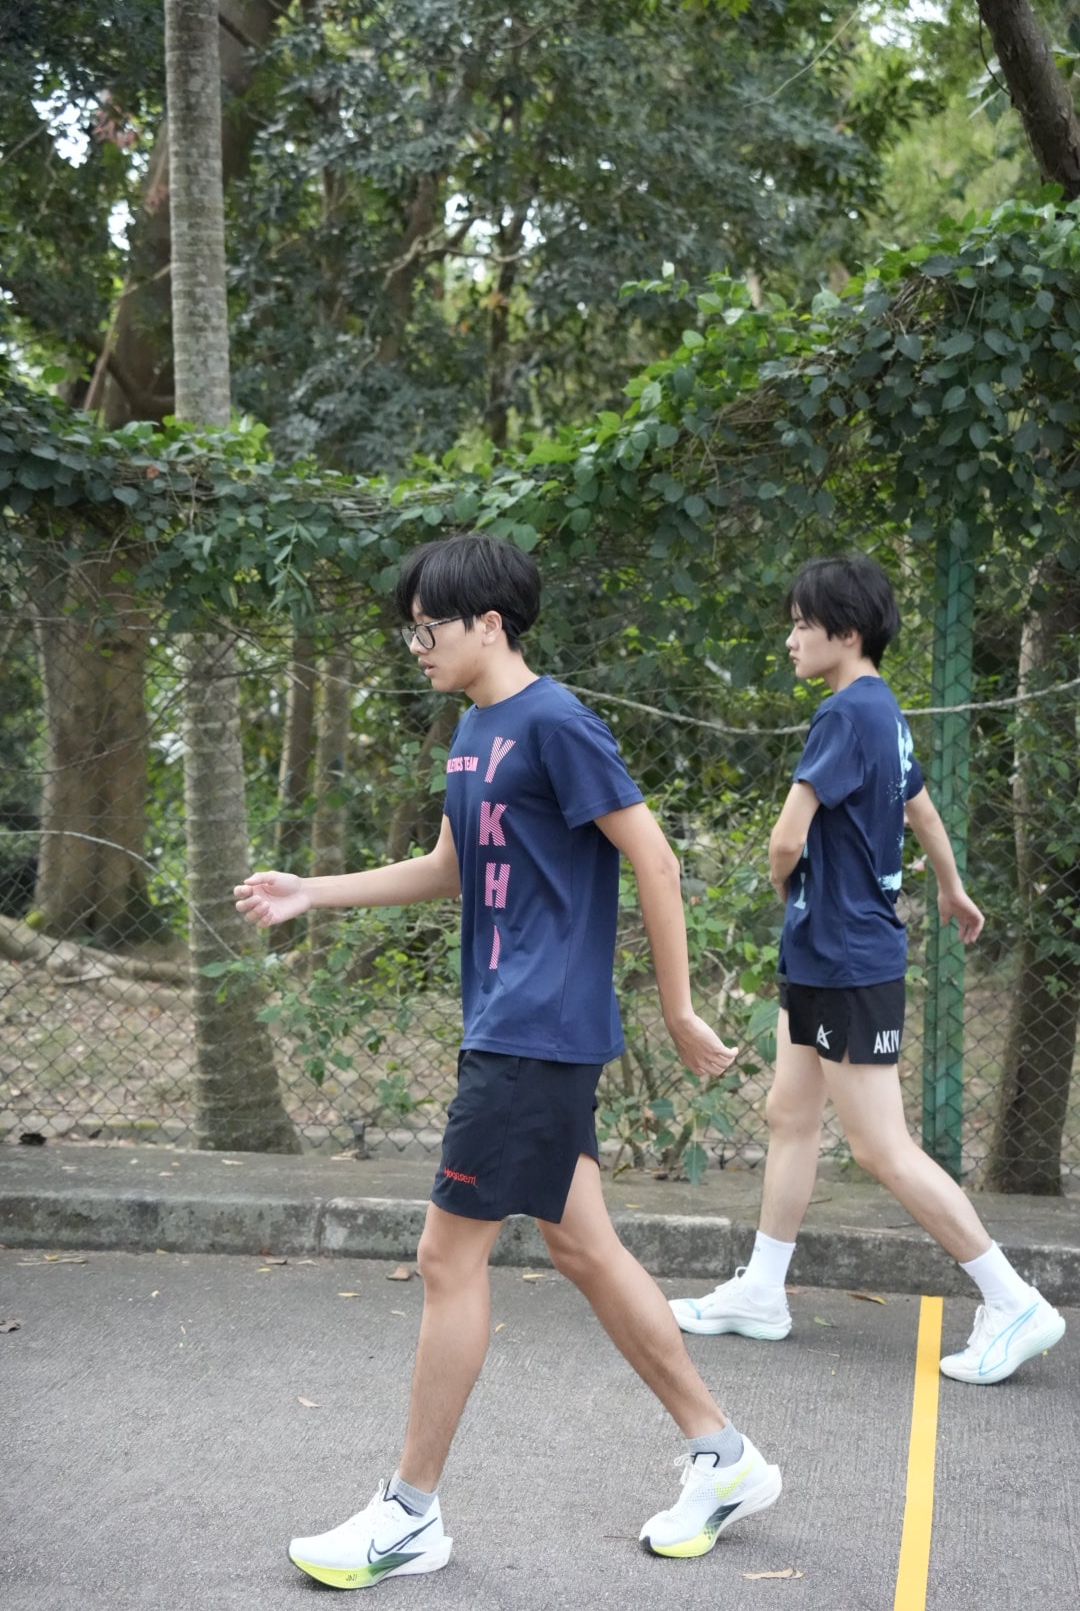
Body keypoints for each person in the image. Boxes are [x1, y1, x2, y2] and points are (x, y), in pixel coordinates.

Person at [235, 533, 781, 1590]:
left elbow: (654, 857)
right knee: (584, 1248)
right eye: (410, 630)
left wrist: (676, 1008)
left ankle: (410, 1514)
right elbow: (454, 864)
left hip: (534, 1028)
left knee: (448, 1260)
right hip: (511, 1024)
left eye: (429, 627)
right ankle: (724, 1456)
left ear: (490, 623)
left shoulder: (557, 722)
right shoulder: (475, 728)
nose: (417, 645)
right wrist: (313, 889)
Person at [670, 553, 1066, 1386]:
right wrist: (951, 888)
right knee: (789, 1113)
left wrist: (786, 883)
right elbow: (922, 810)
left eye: (801, 625)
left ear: (845, 633)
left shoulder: (844, 713)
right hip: (826, 954)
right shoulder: (883, 712)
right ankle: (762, 1292)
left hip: (847, 955)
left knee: (882, 1147)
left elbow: (786, 838)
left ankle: (1013, 1300)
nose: (790, 640)